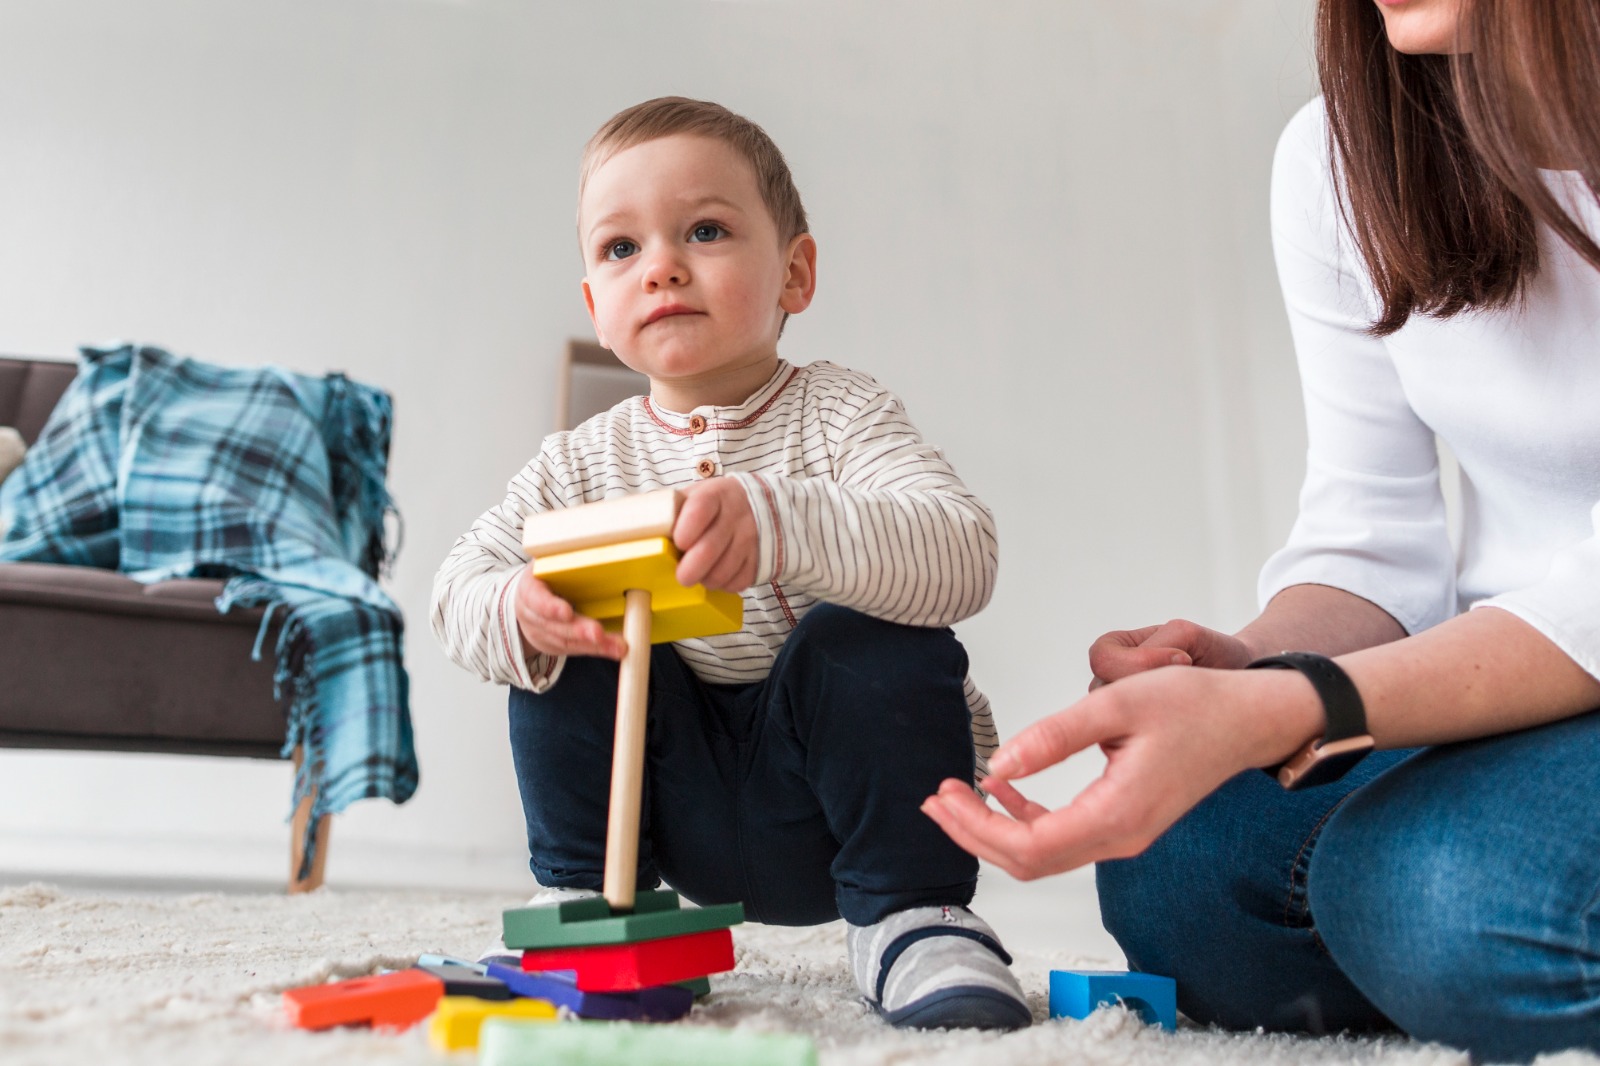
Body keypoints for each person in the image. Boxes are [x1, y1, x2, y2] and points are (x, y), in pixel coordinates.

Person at [920, 0, 1600, 1060]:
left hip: (1553, 685)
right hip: (1515, 695)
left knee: (1444, 890)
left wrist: (1294, 705)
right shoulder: (1344, 156)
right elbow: (1372, 532)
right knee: (1183, 866)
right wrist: (1244, 671)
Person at [430, 97, 1030, 1031]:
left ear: (795, 273)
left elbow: (964, 551)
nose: (661, 264)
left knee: (864, 633)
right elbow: (452, 589)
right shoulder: (577, 464)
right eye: (621, 249)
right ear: (596, 302)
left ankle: (918, 920)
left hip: (847, 806)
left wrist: (785, 525)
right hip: (670, 808)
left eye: (704, 230)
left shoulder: (844, 414)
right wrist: (518, 606)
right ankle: (586, 911)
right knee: (569, 629)